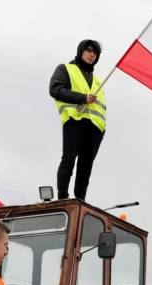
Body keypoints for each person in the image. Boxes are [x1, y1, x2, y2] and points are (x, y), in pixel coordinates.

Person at [50, 39, 106, 201]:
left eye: (95, 53)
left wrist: (102, 129)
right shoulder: (66, 69)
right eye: (89, 50)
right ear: (81, 50)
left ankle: (80, 200)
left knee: (86, 167)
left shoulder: (97, 80)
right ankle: (63, 197)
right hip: (75, 120)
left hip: (95, 127)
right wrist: (81, 98)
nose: (91, 54)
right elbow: (55, 89)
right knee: (68, 160)